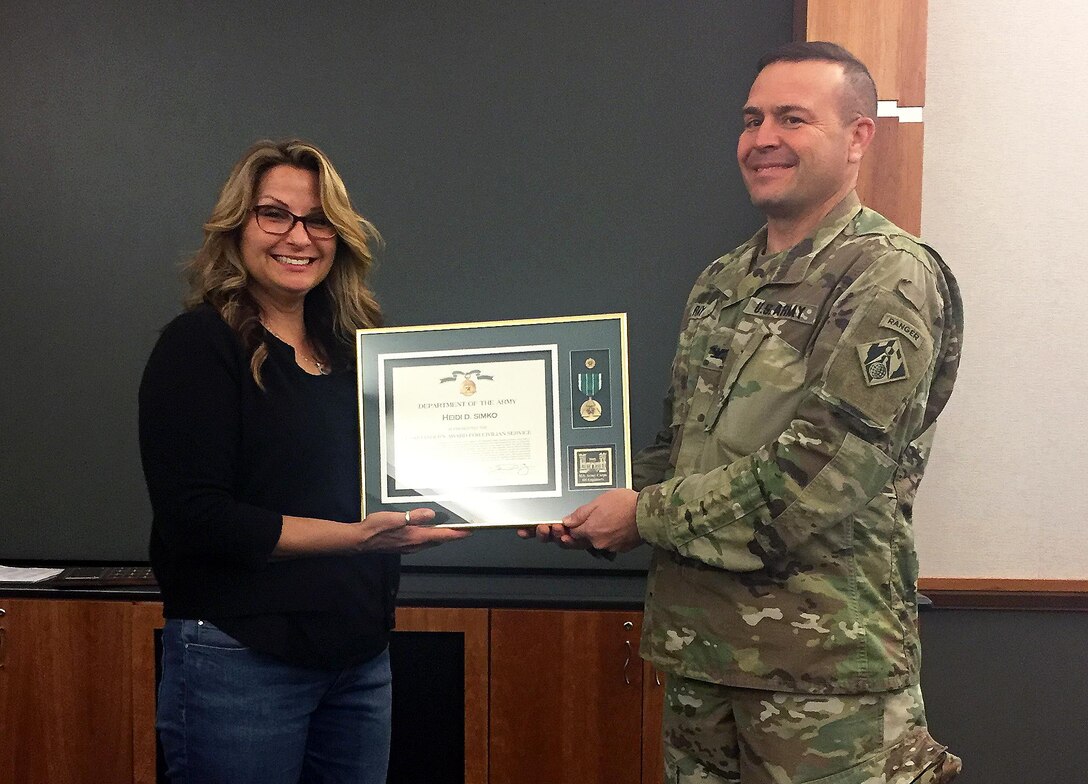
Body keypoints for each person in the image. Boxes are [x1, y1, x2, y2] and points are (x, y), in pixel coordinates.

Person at [524, 42, 964, 783]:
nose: (763, 138)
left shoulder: (886, 274)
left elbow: (819, 473)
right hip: (703, 656)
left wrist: (643, 515)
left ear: (859, 136)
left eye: (793, 118)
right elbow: (679, 450)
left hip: (824, 676)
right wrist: (572, 497)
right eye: (752, 118)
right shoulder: (724, 280)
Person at [139, 138, 470, 783]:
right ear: (237, 228)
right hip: (240, 657)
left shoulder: (357, 354)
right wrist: (355, 539)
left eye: (318, 219)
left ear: (338, 236)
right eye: (275, 214)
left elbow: (420, 469)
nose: (299, 236)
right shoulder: (200, 345)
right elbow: (198, 518)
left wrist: (531, 502)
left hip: (358, 660)